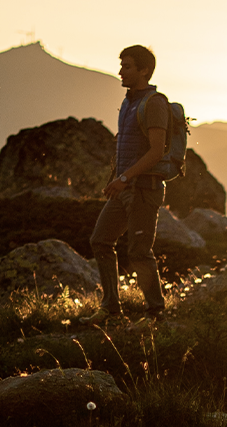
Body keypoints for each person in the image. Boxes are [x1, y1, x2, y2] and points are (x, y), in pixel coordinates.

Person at [81, 45, 171, 328]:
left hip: (144, 189)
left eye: (128, 66)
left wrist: (124, 178)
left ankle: (156, 314)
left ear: (144, 70)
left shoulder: (154, 103)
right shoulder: (129, 102)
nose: (121, 71)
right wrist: (116, 177)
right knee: (101, 241)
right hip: (124, 187)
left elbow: (156, 151)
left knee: (139, 252)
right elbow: (126, 145)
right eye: (121, 65)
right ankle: (111, 310)